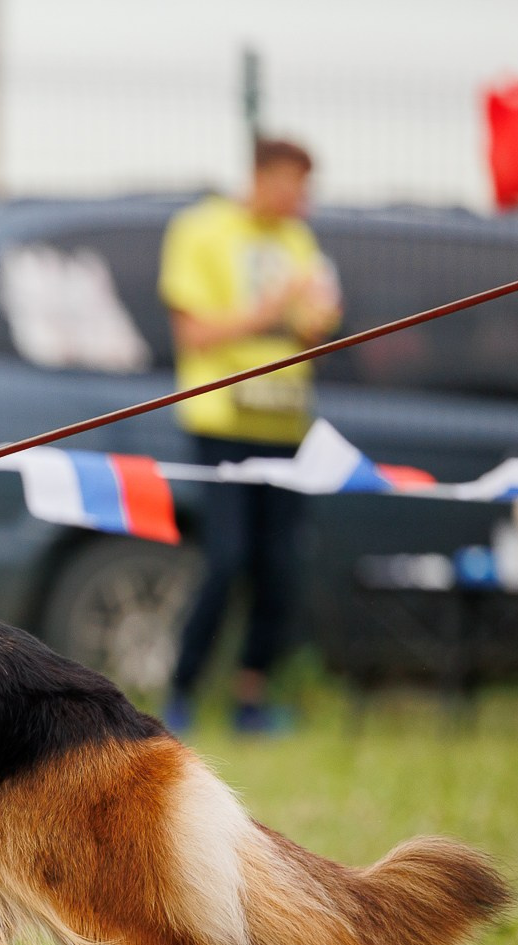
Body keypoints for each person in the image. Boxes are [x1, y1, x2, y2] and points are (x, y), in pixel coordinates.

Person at [159, 138, 341, 735]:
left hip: (285, 422)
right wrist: (271, 309)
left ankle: (252, 699)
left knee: (280, 566)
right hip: (222, 424)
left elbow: (315, 327)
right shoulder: (202, 230)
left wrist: (318, 318)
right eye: (292, 184)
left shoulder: (298, 241)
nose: (300, 200)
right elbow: (194, 333)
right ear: (260, 177)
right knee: (227, 558)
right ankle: (180, 691)